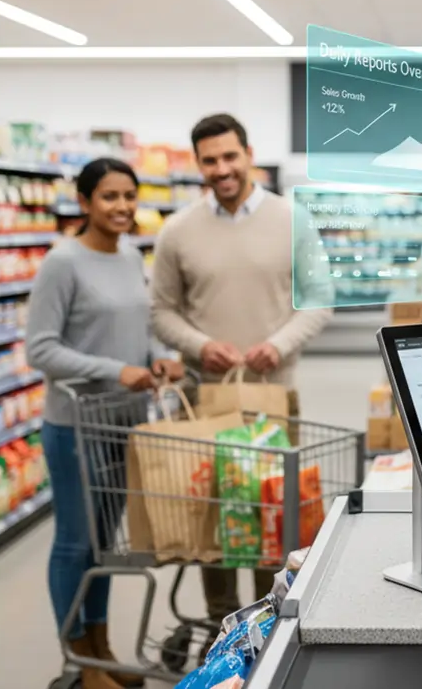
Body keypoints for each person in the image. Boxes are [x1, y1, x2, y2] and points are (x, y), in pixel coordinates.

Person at [151, 113, 333, 624]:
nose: (222, 169)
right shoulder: (178, 231)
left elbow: (319, 300)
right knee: (216, 522)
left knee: (273, 515)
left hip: (274, 395)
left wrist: (277, 345)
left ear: (248, 154)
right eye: (210, 160)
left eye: (230, 156)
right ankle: (217, 626)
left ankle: (267, 621)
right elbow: (161, 310)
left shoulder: (291, 219)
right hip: (208, 399)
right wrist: (200, 343)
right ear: (198, 165)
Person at [27, 158, 183, 689]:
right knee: (75, 542)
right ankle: (80, 660)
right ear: (85, 201)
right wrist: (118, 371)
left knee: (105, 545)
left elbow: (136, 330)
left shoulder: (129, 255)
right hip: (74, 425)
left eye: (128, 196)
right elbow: (41, 349)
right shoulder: (62, 262)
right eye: (109, 196)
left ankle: (102, 643)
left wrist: (158, 357)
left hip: (124, 424)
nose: (121, 207)